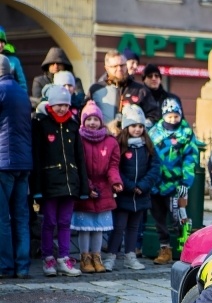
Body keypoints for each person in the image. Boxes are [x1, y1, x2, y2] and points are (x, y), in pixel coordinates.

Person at [30, 86, 89, 277]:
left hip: (70, 183)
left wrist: (83, 187)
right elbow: (37, 157)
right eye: (58, 105)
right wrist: (36, 187)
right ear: (51, 105)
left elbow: (80, 158)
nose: (62, 108)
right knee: (49, 222)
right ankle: (48, 259)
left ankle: (64, 258)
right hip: (49, 183)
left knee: (65, 222)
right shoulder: (42, 125)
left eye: (65, 105)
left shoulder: (73, 126)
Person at [104, 105, 161, 271]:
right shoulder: (119, 144)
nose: (137, 129)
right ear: (126, 127)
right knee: (119, 226)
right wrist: (129, 185)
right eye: (134, 125)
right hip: (124, 194)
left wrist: (143, 185)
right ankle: (111, 256)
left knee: (134, 227)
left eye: (140, 126)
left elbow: (155, 167)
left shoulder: (148, 146)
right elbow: (116, 167)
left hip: (141, 195)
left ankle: (130, 256)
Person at [71, 101, 123, 274]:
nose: (92, 122)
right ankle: (84, 257)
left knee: (99, 228)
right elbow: (78, 165)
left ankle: (96, 256)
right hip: (85, 188)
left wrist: (115, 181)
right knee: (85, 228)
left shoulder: (110, 142)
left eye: (95, 119)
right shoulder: (78, 139)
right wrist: (87, 186)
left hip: (104, 190)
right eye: (89, 119)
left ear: (101, 121)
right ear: (83, 121)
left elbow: (113, 165)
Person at [148, 98, 199, 265]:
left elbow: (190, 158)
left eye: (176, 116)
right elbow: (148, 155)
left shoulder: (185, 133)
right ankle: (165, 248)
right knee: (158, 218)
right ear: (164, 116)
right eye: (169, 117)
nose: (173, 120)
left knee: (179, 216)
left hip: (176, 185)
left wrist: (186, 180)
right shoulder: (154, 133)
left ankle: (185, 247)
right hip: (156, 184)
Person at [0, 54, 32, 279]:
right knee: (21, 217)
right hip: (23, 162)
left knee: (2, 218)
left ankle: (4, 266)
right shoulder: (22, 92)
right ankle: (22, 266)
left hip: (3, 162)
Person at [87, 50, 160, 133]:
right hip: (102, 140)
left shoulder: (141, 90)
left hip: (131, 142)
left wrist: (138, 129)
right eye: (115, 66)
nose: (119, 69)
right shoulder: (96, 89)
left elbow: (154, 116)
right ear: (106, 68)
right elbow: (85, 115)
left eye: (122, 65)